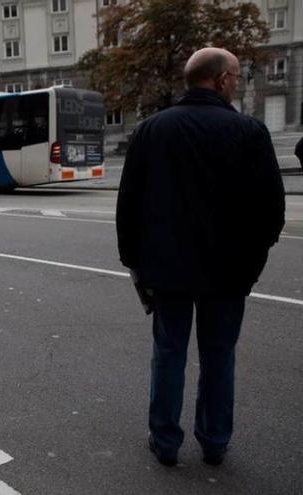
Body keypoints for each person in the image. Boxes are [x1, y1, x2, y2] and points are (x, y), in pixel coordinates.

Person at [117, 48, 285, 467]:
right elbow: (271, 210)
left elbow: (129, 206)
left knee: (169, 353)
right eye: (236, 77)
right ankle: (214, 440)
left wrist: (135, 263)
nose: (238, 83)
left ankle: (165, 441)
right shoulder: (248, 131)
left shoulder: (151, 130)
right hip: (229, 271)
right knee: (218, 356)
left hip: (168, 270)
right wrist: (253, 262)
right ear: (222, 79)